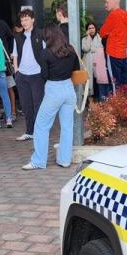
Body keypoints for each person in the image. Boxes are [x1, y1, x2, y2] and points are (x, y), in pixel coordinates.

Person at [22, 26, 79, 170]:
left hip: (54, 90)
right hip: (69, 89)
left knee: (41, 126)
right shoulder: (71, 50)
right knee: (67, 127)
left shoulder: (45, 53)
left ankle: (39, 161)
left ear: (48, 38)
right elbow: (76, 69)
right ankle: (65, 160)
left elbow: (45, 75)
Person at [12, 8, 45, 141]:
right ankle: (29, 131)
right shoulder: (18, 37)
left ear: (33, 20)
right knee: (26, 105)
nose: (24, 22)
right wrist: (16, 71)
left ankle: (39, 131)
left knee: (38, 104)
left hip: (37, 74)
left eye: (26, 19)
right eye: (22, 20)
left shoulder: (40, 34)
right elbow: (15, 54)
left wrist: (45, 71)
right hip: (22, 75)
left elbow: (46, 53)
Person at [99, 0, 127, 88]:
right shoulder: (126, 15)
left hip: (113, 52)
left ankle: (117, 102)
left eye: (107, 2)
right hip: (122, 53)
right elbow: (126, 32)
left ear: (113, 2)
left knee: (114, 82)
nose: (105, 4)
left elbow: (102, 32)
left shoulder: (113, 15)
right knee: (124, 81)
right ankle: (126, 101)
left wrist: (110, 33)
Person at [81, 22, 105, 99]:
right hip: (88, 63)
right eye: (89, 28)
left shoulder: (100, 38)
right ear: (87, 30)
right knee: (88, 82)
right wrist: (88, 37)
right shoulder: (84, 39)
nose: (91, 30)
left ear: (95, 29)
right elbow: (85, 48)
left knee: (98, 82)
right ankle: (90, 102)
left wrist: (92, 49)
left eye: (93, 28)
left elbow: (101, 49)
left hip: (98, 63)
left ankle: (100, 100)